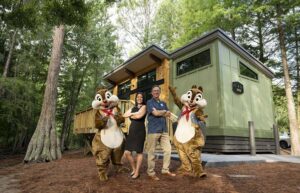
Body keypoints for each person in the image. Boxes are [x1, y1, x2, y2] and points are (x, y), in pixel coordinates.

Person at [146, 85, 176, 181]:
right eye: (154, 90)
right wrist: (162, 112)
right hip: (153, 130)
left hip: (164, 130)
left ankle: (165, 170)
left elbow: (167, 114)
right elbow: (155, 113)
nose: (156, 92)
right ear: (151, 92)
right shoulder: (149, 102)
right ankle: (151, 173)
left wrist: (160, 111)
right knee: (151, 152)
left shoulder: (163, 103)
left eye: (158, 90)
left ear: (160, 92)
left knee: (168, 150)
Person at [123, 92, 147, 179]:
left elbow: (139, 116)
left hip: (140, 131)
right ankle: (133, 169)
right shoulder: (133, 107)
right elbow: (124, 115)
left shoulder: (145, 107)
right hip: (132, 131)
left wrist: (132, 114)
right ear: (136, 98)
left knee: (139, 152)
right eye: (138, 97)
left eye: (141, 97)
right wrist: (134, 114)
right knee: (127, 152)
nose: (139, 98)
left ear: (143, 98)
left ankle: (137, 172)